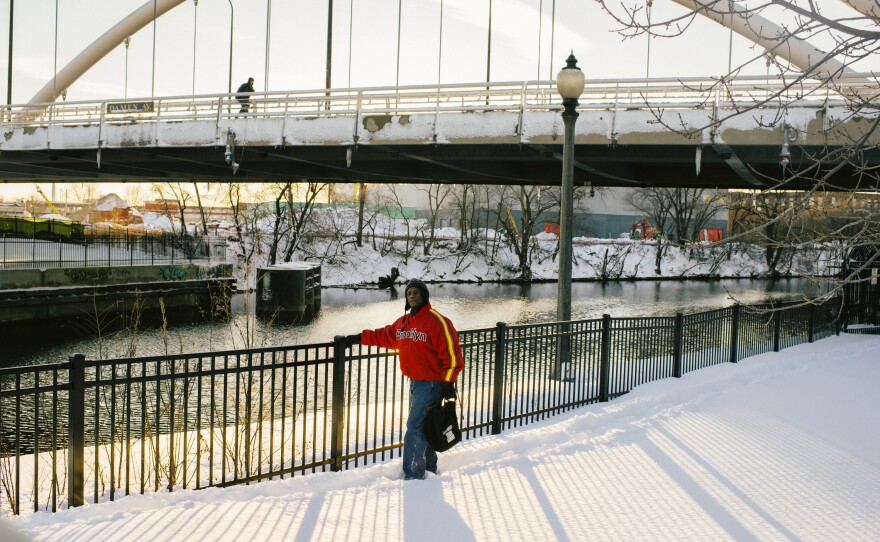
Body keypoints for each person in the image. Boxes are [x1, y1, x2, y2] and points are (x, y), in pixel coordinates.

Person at [346, 278, 463, 480]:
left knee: (415, 426)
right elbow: (384, 335)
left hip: (432, 383)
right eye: (409, 293)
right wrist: (358, 338)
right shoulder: (404, 323)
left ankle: (413, 474)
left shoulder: (437, 321)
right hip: (416, 383)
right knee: (424, 424)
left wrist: (447, 383)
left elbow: (452, 354)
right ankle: (429, 467)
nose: (412, 296)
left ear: (424, 296)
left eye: (416, 292)